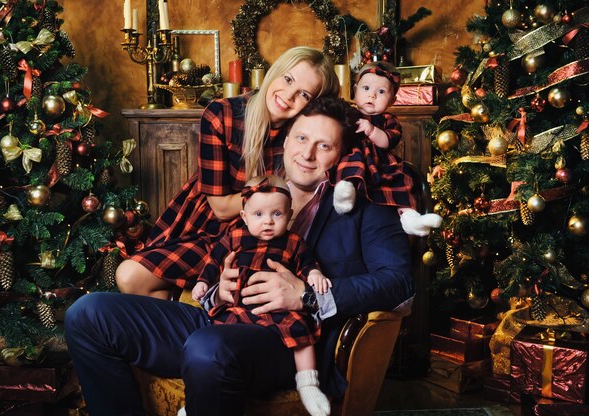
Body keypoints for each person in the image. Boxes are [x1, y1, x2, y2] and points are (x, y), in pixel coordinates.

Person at [65, 96, 413, 416]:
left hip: (290, 341)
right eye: (302, 139)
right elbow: (218, 256)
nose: (307, 154)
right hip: (222, 318)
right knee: (89, 313)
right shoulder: (255, 198)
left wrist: (305, 297)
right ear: (288, 139)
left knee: (207, 347)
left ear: (341, 155)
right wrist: (220, 288)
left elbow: (398, 281)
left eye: (324, 146)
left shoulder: (367, 208)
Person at [114, 46, 339, 300]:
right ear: (275, 72)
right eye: (287, 79)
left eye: (304, 94)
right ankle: (178, 330)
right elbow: (220, 207)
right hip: (207, 225)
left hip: (259, 232)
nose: (288, 95)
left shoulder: (302, 132)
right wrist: (282, 186)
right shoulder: (222, 114)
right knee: (129, 276)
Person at [192, 175, 332, 416]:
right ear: (244, 216)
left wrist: (316, 274)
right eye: (258, 215)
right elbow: (214, 261)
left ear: (289, 215)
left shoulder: (294, 242)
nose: (267, 222)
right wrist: (203, 282)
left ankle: (308, 383)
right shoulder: (235, 236)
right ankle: (198, 402)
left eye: (277, 214)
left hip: (281, 309)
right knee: (214, 340)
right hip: (241, 306)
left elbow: (307, 264)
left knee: (301, 329)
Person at [332, 62, 442, 236]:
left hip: (381, 163)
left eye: (381, 92)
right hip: (355, 156)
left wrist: (371, 130)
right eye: (366, 88)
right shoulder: (349, 112)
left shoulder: (389, 120)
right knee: (351, 160)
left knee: (403, 179)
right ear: (355, 89)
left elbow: (387, 141)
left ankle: (411, 219)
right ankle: (345, 190)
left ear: (392, 100)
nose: (372, 95)